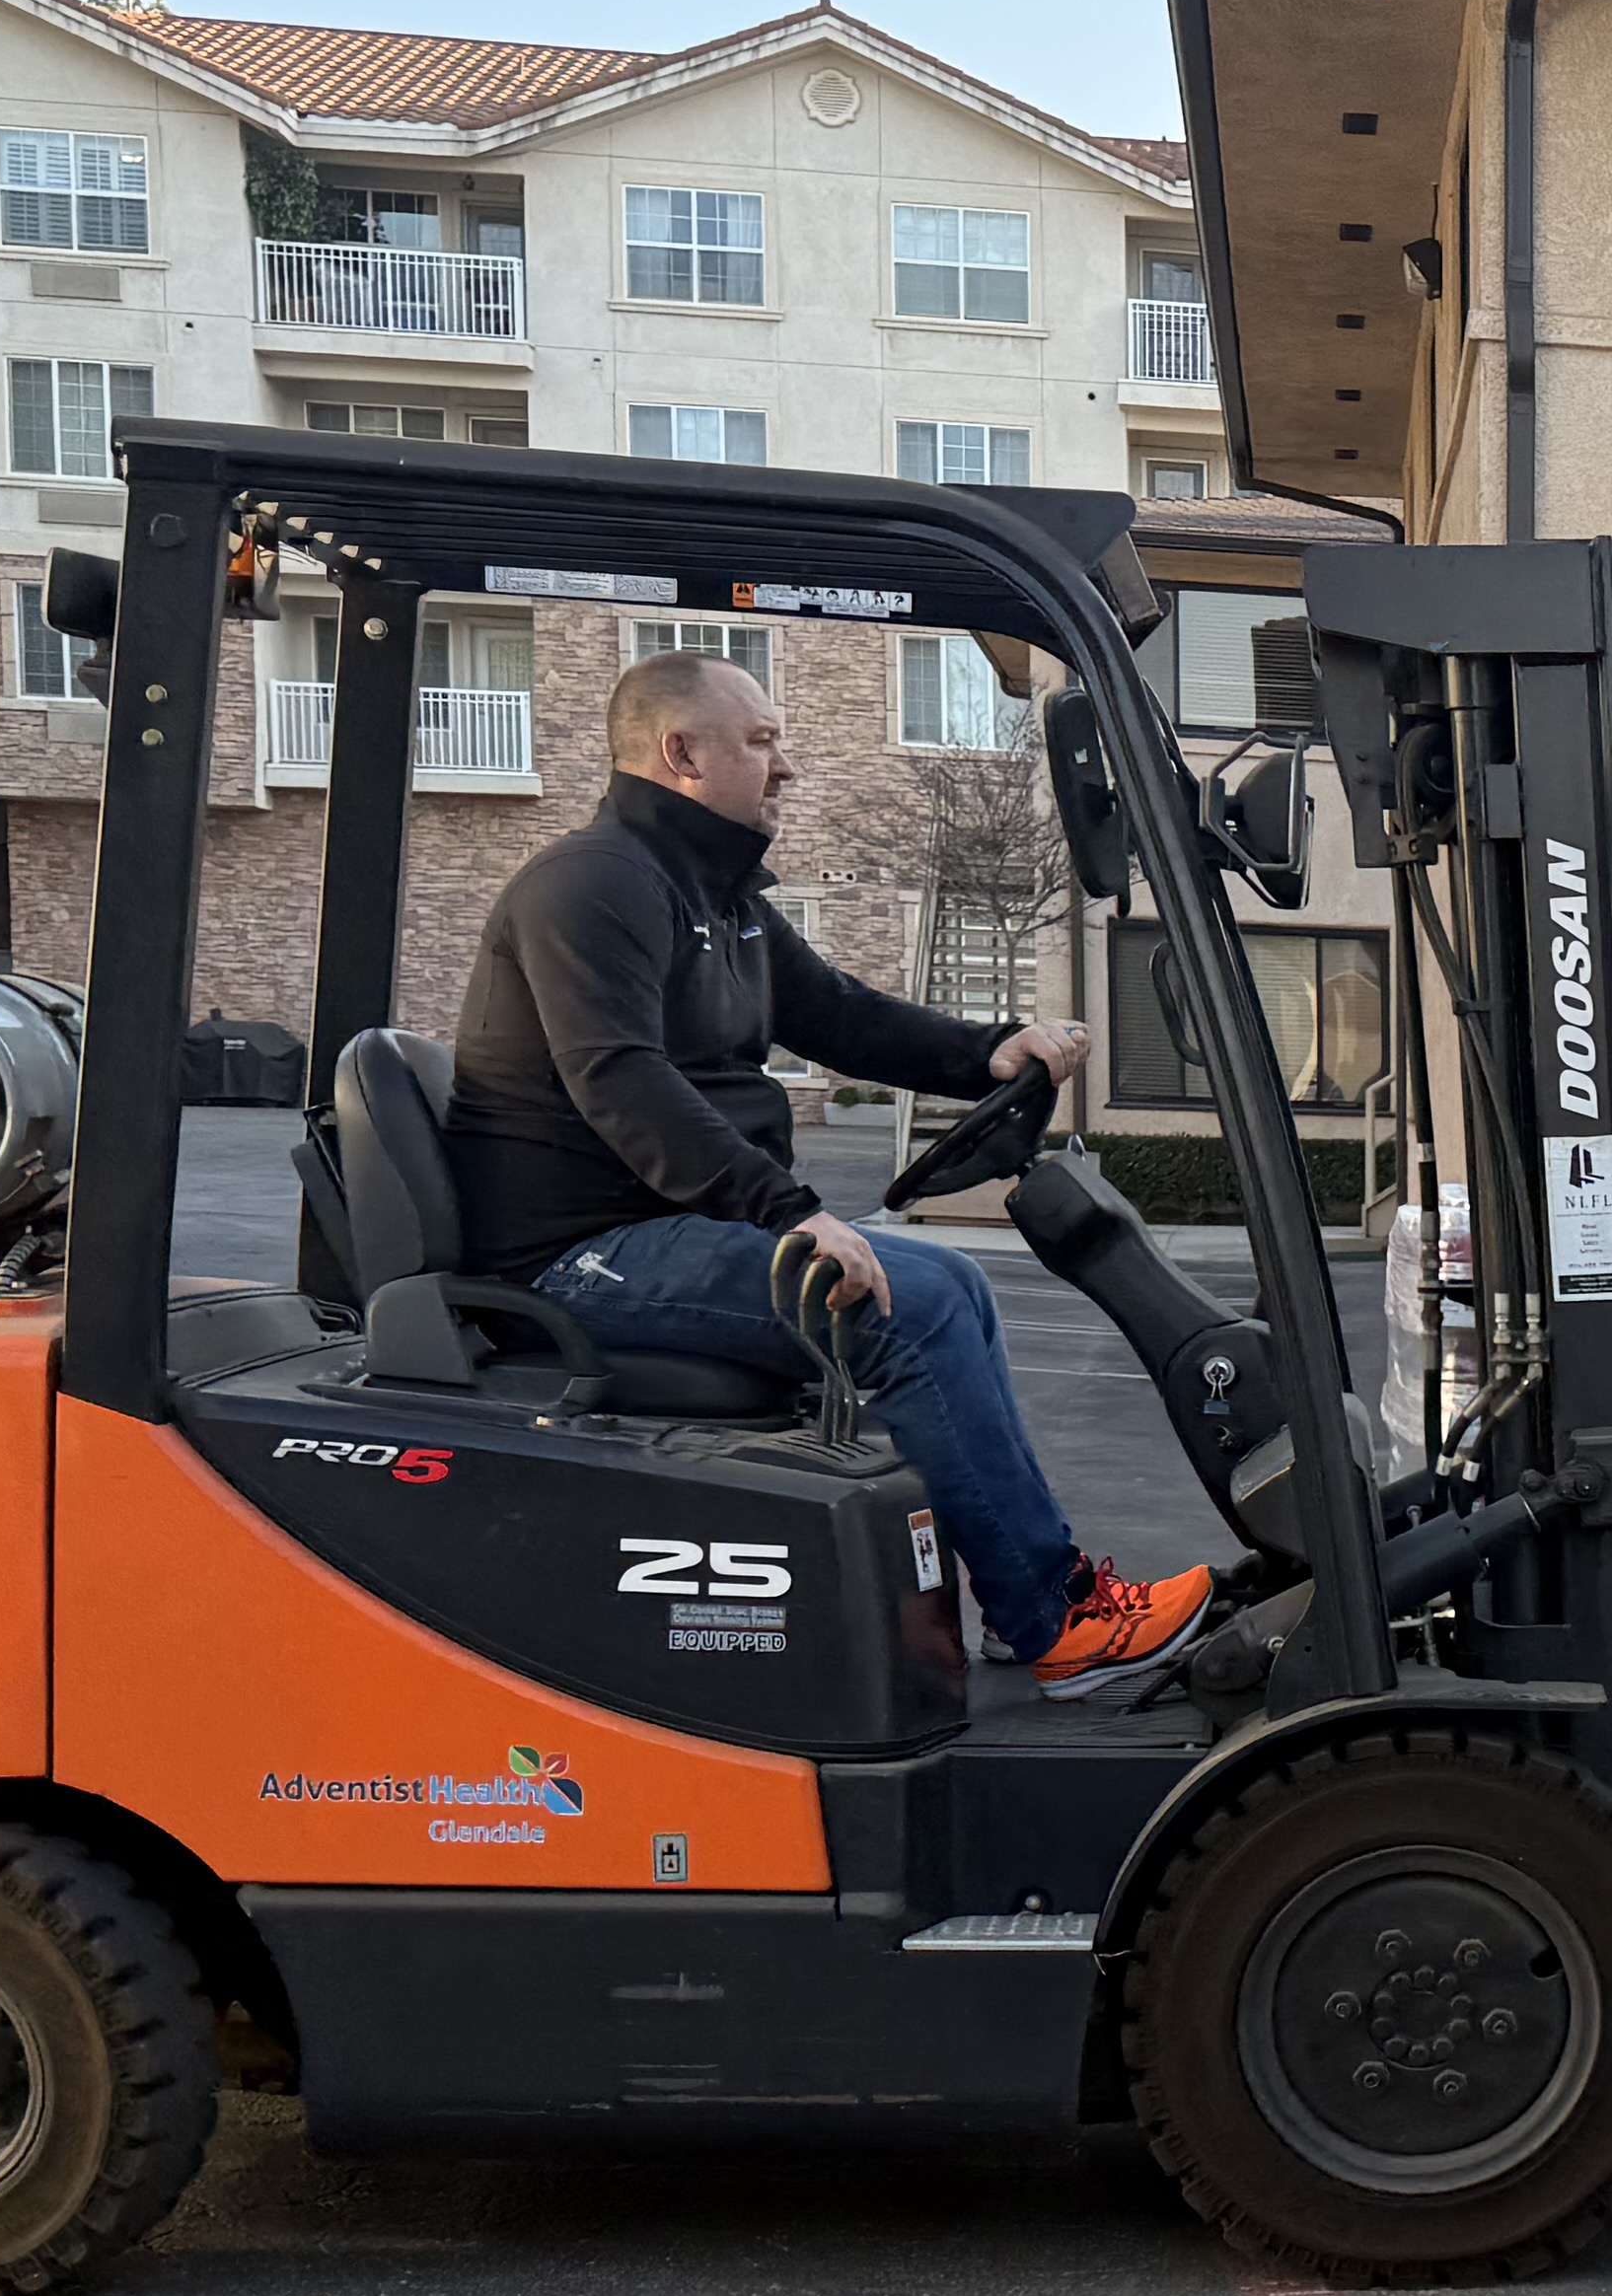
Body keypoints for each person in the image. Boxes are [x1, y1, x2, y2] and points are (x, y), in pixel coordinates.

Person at [443, 644, 1209, 1693]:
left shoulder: (723, 900)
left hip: (662, 1225)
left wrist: (987, 1049)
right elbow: (620, 1082)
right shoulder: (591, 886)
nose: (785, 768)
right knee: (918, 1303)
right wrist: (791, 1212)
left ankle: (1040, 1602)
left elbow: (840, 1014)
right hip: (576, 1254)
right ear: (680, 754)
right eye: (760, 743)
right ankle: (1052, 1619)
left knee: (956, 1289)